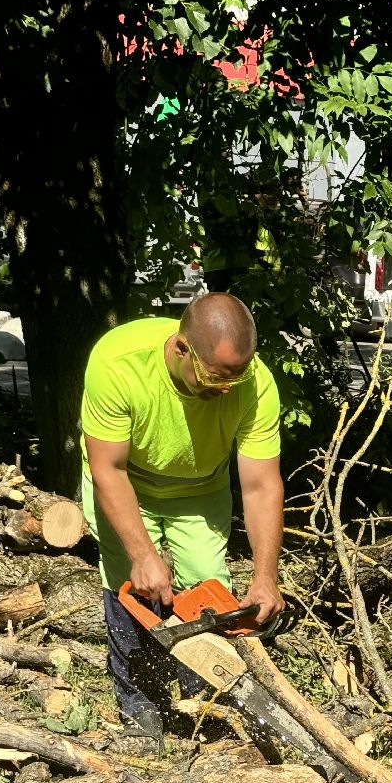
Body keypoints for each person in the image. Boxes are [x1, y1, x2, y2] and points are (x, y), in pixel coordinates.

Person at [80, 293, 285, 744]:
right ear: (180, 349)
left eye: (237, 377)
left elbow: (260, 485)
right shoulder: (118, 362)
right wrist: (142, 553)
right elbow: (107, 471)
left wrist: (266, 576)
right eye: (214, 377)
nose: (226, 389)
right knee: (131, 586)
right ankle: (140, 707)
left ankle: (205, 708)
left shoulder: (254, 384)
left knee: (208, 583)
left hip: (200, 487)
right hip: (124, 480)